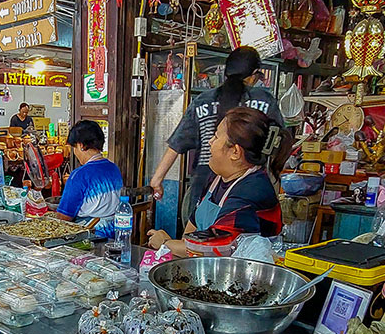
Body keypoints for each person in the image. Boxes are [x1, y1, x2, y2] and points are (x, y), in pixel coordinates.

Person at [147, 107, 287, 257]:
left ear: (235, 152)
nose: (210, 142)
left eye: (216, 136)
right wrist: (176, 245)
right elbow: (189, 236)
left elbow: (213, 249)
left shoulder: (253, 190)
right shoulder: (217, 179)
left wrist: (165, 244)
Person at [150, 46, 284, 200]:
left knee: (199, 223)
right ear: (253, 75)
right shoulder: (264, 100)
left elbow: (177, 143)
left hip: (202, 185)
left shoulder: (203, 101)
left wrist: (157, 179)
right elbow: (278, 143)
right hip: (246, 186)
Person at [55, 120, 123, 238]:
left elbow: (64, 217)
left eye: (74, 148)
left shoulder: (79, 175)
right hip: (116, 232)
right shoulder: (114, 168)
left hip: (90, 237)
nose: (75, 153)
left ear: (81, 145)